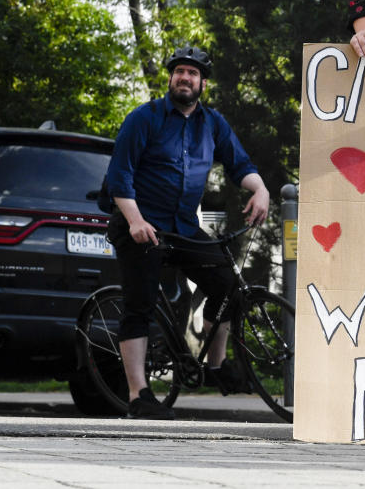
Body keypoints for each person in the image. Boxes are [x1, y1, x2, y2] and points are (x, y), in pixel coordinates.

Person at [103, 46, 270, 420]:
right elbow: (120, 175)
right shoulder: (144, 118)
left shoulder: (212, 123)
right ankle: (138, 395)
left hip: (182, 228)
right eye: (180, 71)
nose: (185, 78)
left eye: (193, 74)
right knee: (139, 306)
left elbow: (238, 162)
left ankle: (216, 366)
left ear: (203, 84)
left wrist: (260, 189)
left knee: (227, 286)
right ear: (170, 79)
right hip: (141, 225)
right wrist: (134, 220)